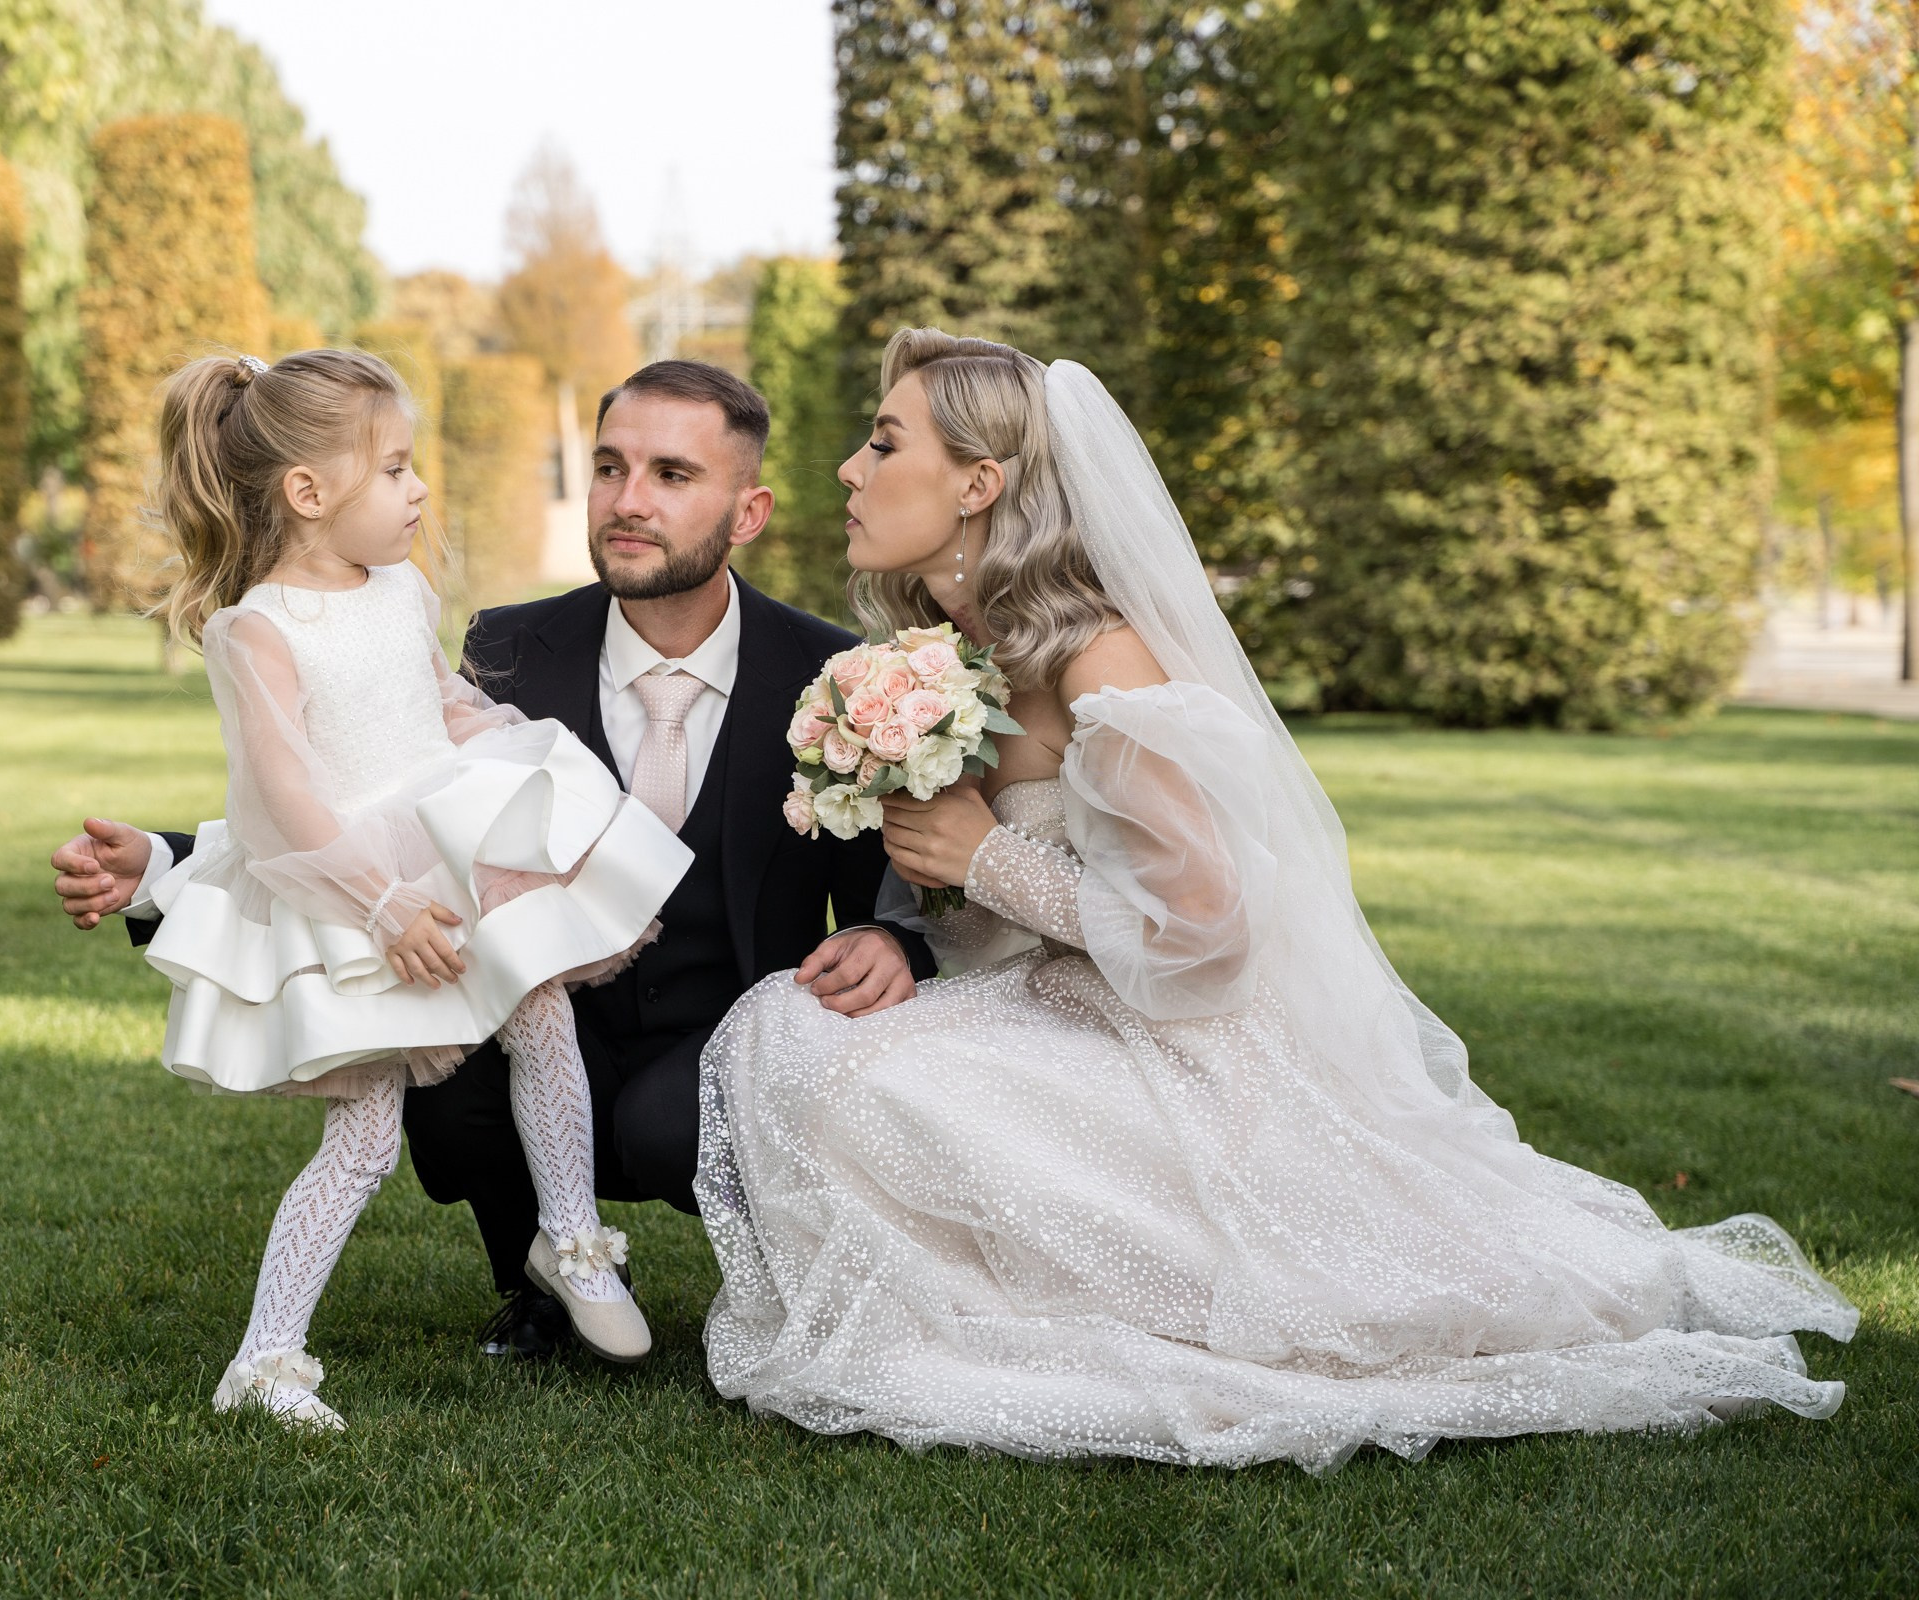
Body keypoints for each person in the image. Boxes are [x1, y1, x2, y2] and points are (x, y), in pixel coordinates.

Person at [693, 329, 1861, 1473]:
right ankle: (983, 1295)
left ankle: (1040, 1314)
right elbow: (957, 885)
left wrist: (985, 857)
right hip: (1046, 1009)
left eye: (883, 442)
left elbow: (1206, 934)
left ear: (978, 484)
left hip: (1179, 1052)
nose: (850, 468)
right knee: (786, 1032)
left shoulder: (1104, 663)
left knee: (826, 1059)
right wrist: (913, 922)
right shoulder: (943, 658)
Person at [53, 360, 933, 1359]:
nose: (628, 501)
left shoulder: (831, 675)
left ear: (749, 509)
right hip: (518, 990)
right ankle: (538, 1277)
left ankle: (753, 1267)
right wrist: (162, 866)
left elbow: (890, 896)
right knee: (446, 1065)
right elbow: (358, 789)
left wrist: (892, 941)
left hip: (716, 1032)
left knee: (659, 1119)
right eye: (608, 467)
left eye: (673, 476)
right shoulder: (513, 645)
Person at [129, 347, 686, 1430]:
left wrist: (528, 759)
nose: (418, 489)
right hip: (349, 885)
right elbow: (279, 801)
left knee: (541, 1007)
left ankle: (570, 1239)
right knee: (365, 1138)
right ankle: (267, 1356)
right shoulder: (258, 632)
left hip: (449, 840)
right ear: (308, 492)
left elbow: (443, 704)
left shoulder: (402, 588)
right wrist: (380, 905)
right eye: (393, 469)